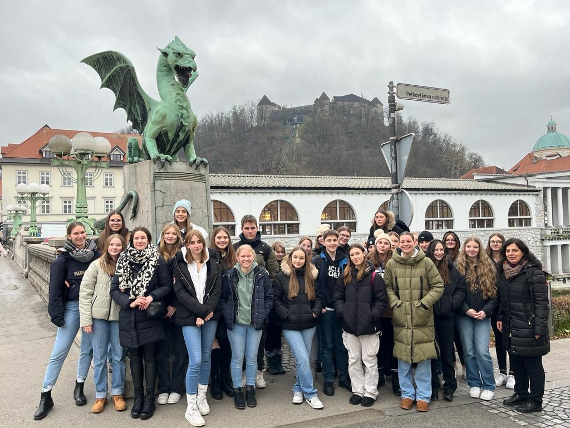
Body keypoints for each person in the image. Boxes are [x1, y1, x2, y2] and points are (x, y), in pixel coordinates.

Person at [34, 222, 99, 420]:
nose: (80, 236)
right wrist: (56, 315)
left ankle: (79, 385)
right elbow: (54, 290)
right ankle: (46, 395)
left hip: (91, 308)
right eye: (76, 233)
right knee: (59, 352)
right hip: (71, 308)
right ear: (69, 236)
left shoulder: (95, 256)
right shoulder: (62, 260)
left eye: (82, 233)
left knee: (87, 349)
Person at [110, 226, 173, 420]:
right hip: (130, 316)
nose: (139, 241)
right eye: (136, 238)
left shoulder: (157, 260)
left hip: (149, 316)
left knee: (151, 357)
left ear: (148, 240)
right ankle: (137, 399)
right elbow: (114, 290)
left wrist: (151, 297)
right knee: (135, 358)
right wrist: (131, 301)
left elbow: (166, 286)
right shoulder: (123, 260)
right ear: (131, 241)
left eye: (143, 238)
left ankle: (149, 399)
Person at [383, 232, 443, 413]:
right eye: (403, 241)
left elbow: (438, 286)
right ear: (398, 244)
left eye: (409, 241)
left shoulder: (426, 262)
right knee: (403, 358)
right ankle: (407, 394)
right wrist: (395, 303)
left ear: (414, 242)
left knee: (423, 356)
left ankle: (424, 395)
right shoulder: (392, 264)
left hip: (422, 317)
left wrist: (424, 303)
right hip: (401, 318)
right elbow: (387, 286)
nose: (406, 244)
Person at [173, 230, 222, 427]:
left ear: (203, 243)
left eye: (199, 242)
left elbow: (217, 290)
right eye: (192, 242)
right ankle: (190, 405)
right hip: (189, 317)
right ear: (186, 244)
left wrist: (206, 313)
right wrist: (199, 313)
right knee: (196, 359)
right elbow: (180, 293)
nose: (196, 245)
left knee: (207, 357)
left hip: (210, 316)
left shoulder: (213, 263)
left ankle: (202, 396)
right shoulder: (180, 264)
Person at [497, 238, 550, 413]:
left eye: (515, 251)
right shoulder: (504, 273)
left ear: (523, 252)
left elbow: (542, 304)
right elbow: (501, 299)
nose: (511, 254)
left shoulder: (534, 273)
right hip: (511, 326)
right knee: (516, 362)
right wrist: (500, 317)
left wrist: (539, 329)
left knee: (533, 365)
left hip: (530, 326)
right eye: (508, 251)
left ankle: (535, 401)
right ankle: (520, 394)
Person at [334, 244, 388, 407]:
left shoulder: (374, 277)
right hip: (350, 326)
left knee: (369, 359)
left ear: (364, 254)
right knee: (354, 359)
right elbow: (337, 298)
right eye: (352, 254)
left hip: (369, 326)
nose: (355, 257)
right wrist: (344, 312)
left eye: (358, 253)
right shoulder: (345, 276)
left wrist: (372, 315)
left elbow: (381, 301)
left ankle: (370, 391)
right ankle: (357, 390)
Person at [221, 245, 273, 410]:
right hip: (236, 324)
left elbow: (269, 296)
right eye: (242, 256)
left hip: (254, 323)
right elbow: (223, 298)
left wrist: (263, 314)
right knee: (237, 358)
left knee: (251, 358)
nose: (245, 259)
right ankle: (237, 389)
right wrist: (227, 313)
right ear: (237, 257)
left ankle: (250, 388)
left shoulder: (261, 274)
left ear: (253, 257)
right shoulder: (229, 275)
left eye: (248, 256)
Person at [79, 234, 127, 413]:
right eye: (112, 245)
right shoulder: (96, 265)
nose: (115, 248)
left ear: (123, 247)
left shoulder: (125, 266)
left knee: (118, 357)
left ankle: (117, 393)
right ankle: (100, 394)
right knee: (99, 357)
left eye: (118, 245)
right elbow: (85, 294)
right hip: (98, 318)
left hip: (118, 317)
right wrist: (86, 320)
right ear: (106, 246)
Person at [273, 246, 324, 410]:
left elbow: (318, 297)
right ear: (290, 258)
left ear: (306, 259)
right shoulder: (282, 276)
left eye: (301, 258)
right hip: (290, 325)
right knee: (302, 357)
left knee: (305, 359)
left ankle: (297, 388)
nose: (298, 261)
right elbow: (276, 299)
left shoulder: (312, 276)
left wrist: (315, 313)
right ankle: (310, 393)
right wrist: (285, 314)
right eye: (295, 257)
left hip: (309, 324)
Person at [233, 215, 279, 388]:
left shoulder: (265, 249)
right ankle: (244, 373)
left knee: (259, 342)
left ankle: (259, 373)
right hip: (241, 304)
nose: (250, 231)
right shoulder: (235, 248)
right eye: (247, 228)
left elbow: (274, 273)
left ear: (257, 228)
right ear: (242, 229)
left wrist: (266, 294)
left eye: (253, 228)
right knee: (240, 345)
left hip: (258, 304)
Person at [455, 236, 498, 402]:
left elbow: (495, 295)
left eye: (475, 247)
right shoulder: (457, 267)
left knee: (482, 351)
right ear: (464, 249)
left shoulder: (488, 267)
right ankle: (474, 383)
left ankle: (488, 385)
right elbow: (455, 293)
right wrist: (466, 310)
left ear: (479, 249)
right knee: (468, 351)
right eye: (469, 247)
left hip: (483, 315)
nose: (471, 250)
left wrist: (485, 311)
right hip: (464, 315)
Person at [425, 240, 466, 402]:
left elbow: (461, 288)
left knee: (448, 352)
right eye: (436, 249)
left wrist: (451, 304)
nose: (439, 252)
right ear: (431, 251)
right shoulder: (426, 267)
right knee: (431, 353)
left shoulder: (451, 269)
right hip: (429, 316)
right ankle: (433, 385)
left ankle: (450, 385)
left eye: (441, 249)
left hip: (447, 316)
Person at [311, 229, 350, 396]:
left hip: (342, 308)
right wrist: (319, 306)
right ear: (323, 242)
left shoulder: (345, 260)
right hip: (325, 309)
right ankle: (328, 379)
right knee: (327, 346)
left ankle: (343, 377)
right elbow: (314, 286)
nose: (333, 243)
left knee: (341, 346)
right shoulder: (317, 261)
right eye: (330, 240)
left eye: (335, 239)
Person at [156, 224, 187, 406]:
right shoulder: (155, 255)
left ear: (178, 236)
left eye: (173, 233)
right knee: (161, 351)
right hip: (159, 308)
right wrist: (162, 306)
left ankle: (176, 388)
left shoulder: (183, 255)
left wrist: (174, 305)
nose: (170, 236)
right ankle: (163, 388)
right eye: (167, 233)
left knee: (179, 351)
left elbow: (186, 283)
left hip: (179, 308)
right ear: (162, 235)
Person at [367, 233, 399, 395]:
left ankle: (395, 377)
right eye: (380, 243)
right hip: (376, 309)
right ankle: (378, 375)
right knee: (376, 345)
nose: (383, 245)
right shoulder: (369, 261)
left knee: (393, 344)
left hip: (393, 310)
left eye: (386, 243)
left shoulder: (396, 260)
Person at [209, 226, 238, 400]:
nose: (222, 240)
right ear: (214, 239)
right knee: (214, 346)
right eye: (218, 237)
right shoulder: (208, 257)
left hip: (230, 309)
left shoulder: (232, 259)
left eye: (225, 237)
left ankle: (226, 380)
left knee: (227, 345)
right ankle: (216, 382)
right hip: (213, 309)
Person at [485, 233, 514, 389]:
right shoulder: (486, 260)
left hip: (507, 304)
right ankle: (502, 371)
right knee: (499, 340)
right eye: (492, 241)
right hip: (493, 305)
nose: (495, 244)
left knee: (510, 339)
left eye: (498, 241)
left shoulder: (508, 259)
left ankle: (513, 373)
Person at [442, 230, 465, 378]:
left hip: (459, 303)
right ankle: (454, 366)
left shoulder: (461, 257)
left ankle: (465, 366)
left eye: (452, 239)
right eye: (447, 240)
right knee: (448, 341)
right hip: (446, 305)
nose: (450, 242)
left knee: (460, 338)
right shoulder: (441, 257)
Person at [266, 241, 287, 375]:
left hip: (281, 304)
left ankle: (278, 362)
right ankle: (270, 363)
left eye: (281, 252)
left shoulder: (285, 266)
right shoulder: (270, 266)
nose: (279, 254)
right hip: (270, 303)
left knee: (278, 334)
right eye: (276, 251)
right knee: (270, 334)